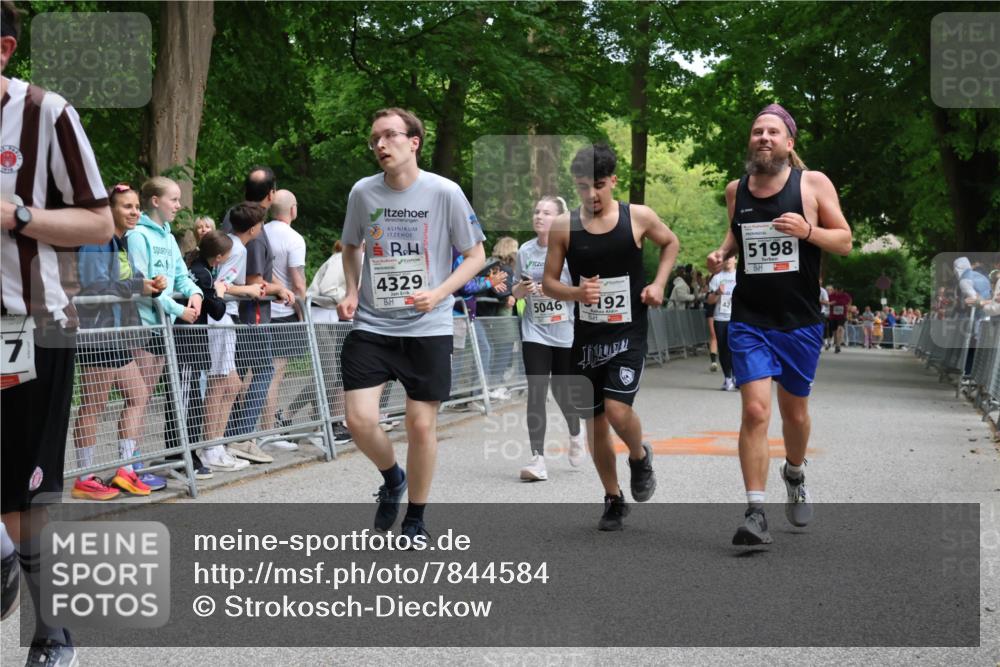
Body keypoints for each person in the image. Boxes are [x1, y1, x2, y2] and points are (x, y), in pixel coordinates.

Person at [1, 1, 114, 659]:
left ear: (5, 50)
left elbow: (99, 223)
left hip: (30, 326)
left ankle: (51, 628)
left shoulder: (47, 114)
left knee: (26, 492)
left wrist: (16, 215)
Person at [338, 108, 486, 541]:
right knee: (358, 420)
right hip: (373, 322)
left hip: (428, 325)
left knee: (420, 425)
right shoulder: (363, 193)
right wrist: (350, 290)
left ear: (414, 141)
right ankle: (392, 478)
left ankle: (417, 518)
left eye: (389, 136)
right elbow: (351, 245)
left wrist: (440, 293)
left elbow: (476, 255)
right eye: (374, 139)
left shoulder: (445, 192)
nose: (380, 145)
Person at [707, 103, 852, 546]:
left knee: (795, 414)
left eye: (772, 132)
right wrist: (722, 253)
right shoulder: (737, 189)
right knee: (754, 410)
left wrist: (808, 231)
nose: (763, 137)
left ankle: (794, 470)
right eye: (756, 132)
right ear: (750, 142)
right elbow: (737, 233)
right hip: (750, 317)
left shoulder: (812, 183)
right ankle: (755, 512)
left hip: (799, 321)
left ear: (789, 144)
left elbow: (844, 241)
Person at [543, 144, 679, 531]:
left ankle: (639, 457)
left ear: (613, 181)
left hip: (628, 331)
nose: (592, 196)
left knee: (617, 410)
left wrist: (658, 284)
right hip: (586, 336)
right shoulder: (563, 227)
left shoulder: (637, 217)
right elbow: (549, 283)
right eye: (583, 187)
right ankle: (613, 498)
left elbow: (670, 243)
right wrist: (575, 293)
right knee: (595, 422)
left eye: (599, 186)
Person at [72, 183, 167, 500]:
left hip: (114, 332)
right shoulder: (95, 240)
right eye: (127, 206)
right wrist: (137, 286)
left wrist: (145, 285)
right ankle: (84, 477)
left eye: (137, 206)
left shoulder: (116, 242)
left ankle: (125, 470)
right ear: (108, 210)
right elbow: (92, 285)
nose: (135, 212)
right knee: (93, 405)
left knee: (138, 394)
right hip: (95, 332)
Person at [128, 176, 203, 490]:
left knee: (144, 399)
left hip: (164, 327)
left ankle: (135, 463)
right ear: (155, 201)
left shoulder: (169, 238)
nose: (178, 205)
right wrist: (179, 310)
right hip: (144, 326)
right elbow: (143, 284)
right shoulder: (138, 235)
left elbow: (181, 277)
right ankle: (132, 464)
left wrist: (196, 294)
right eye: (173, 199)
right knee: (138, 398)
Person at [223, 169, 296, 461]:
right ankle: (241, 436)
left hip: (236, 312)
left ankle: (228, 438)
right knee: (262, 369)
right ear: (271, 195)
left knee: (236, 375)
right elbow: (252, 281)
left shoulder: (232, 215)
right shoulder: (252, 226)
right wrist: (279, 289)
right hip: (250, 313)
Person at [512, 196, 586, 481]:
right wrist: (524, 288)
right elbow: (516, 293)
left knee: (563, 392)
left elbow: (580, 289)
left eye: (546, 212)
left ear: (559, 218)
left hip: (565, 330)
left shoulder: (570, 250)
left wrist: (553, 289)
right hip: (535, 329)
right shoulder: (525, 251)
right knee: (536, 391)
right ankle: (537, 459)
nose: (539, 216)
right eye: (536, 211)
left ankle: (576, 432)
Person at [201, 204, 270, 471]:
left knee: (232, 384)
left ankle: (218, 444)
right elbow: (224, 285)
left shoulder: (232, 244)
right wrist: (250, 289)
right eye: (261, 225)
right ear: (254, 228)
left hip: (224, 318)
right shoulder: (238, 249)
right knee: (220, 384)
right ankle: (211, 448)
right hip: (220, 318)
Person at [172, 229, 233, 478]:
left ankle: (187, 452)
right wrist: (219, 291)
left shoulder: (200, 268)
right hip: (188, 342)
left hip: (194, 343)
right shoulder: (202, 274)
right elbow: (217, 310)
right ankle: (180, 456)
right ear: (219, 257)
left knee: (192, 400)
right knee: (184, 401)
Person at [287, 240, 352, 445]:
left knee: (334, 373)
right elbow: (327, 289)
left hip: (334, 318)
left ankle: (326, 423)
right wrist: (352, 298)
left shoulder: (352, 262)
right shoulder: (341, 259)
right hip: (321, 316)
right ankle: (288, 413)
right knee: (328, 373)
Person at [261, 189, 308, 450]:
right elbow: (298, 282)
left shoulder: (260, 233)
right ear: (293, 210)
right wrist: (304, 315)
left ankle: (249, 431)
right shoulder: (294, 239)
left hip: (258, 312)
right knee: (273, 375)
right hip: (284, 313)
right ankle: (268, 433)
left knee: (255, 373)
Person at [707, 256, 738, 391]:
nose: (728, 261)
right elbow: (709, 300)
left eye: (730, 258)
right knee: (724, 349)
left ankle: (738, 377)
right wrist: (717, 292)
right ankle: (728, 378)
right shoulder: (717, 277)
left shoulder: (740, 276)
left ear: (735, 260)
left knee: (737, 348)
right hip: (721, 317)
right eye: (725, 258)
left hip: (738, 317)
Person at [705, 265, 720, 372]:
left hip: (726, 311)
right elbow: (708, 296)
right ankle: (713, 361)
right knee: (714, 334)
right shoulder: (714, 279)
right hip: (712, 309)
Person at [827, 285, 851, 353]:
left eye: (840, 291)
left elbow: (849, 302)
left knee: (840, 329)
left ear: (842, 290)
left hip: (842, 316)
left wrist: (848, 306)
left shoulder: (846, 295)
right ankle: (836, 342)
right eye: (837, 291)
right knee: (834, 332)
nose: (838, 292)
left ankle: (838, 346)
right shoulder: (831, 296)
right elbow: (827, 303)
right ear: (835, 290)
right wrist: (830, 303)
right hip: (833, 316)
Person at [818, 282, 831, 349]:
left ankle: (825, 342)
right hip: (810, 312)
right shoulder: (809, 289)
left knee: (823, 327)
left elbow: (826, 302)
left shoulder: (823, 291)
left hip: (821, 312)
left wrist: (818, 301)